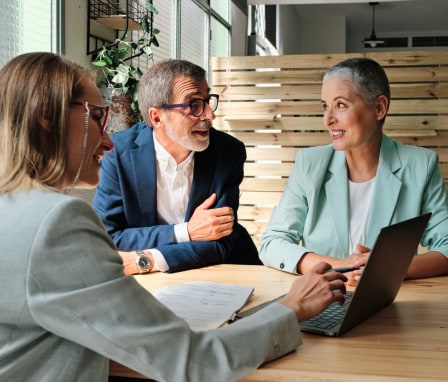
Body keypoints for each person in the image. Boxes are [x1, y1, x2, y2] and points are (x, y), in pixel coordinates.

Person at [0, 52, 348, 382]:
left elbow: (218, 241)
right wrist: (291, 307)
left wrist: (140, 258)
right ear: (48, 116)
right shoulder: (57, 222)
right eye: (96, 117)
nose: (107, 141)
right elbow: (194, 362)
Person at [260, 57, 448, 285]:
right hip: (324, 299)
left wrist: (388, 267)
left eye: (340, 105)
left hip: (392, 300)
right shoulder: (309, 164)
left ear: (379, 108)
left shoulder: (421, 166)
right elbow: (273, 243)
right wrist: (338, 268)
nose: (328, 119)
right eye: (324, 106)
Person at [93, 59, 261, 275]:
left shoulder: (228, 152)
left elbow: (220, 241)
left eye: (207, 101)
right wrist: (185, 232)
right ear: (156, 117)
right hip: (149, 282)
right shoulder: (117, 153)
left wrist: (149, 259)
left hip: (223, 270)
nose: (210, 115)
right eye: (194, 105)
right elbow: (108, 237)